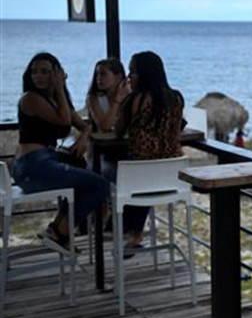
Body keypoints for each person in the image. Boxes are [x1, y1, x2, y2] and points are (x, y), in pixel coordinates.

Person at [13, 52, 109, 251]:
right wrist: (58, 88)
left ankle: (58, 230)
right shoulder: (30, 99)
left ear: (57, 74)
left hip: (46, 161)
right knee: (100, 185)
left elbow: (85, 126)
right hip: (32, 167)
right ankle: (59, 232)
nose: (38, 76)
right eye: (34, 72)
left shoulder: (57, 101)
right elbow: (65, 121)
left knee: (81, 168)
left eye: (45, 72)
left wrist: (83, 139)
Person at [114, 51, 185, 252]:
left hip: (140, 179)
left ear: (144, 74)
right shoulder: (176, 98)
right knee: (142, 172)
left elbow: (118, 131)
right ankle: (133, 233)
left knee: (107, 173)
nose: (128, 77)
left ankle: (116, 226)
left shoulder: (134, 100)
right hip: (172, 177)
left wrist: (120, 100)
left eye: (132, 71)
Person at [86, 58, 129, 133]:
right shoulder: (94, 98)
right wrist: (116, 101)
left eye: (103, 74)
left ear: (118, 77)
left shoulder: (129, 96)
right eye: (97, 75)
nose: (98, 78)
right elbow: (105, 127)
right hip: (102, 142)